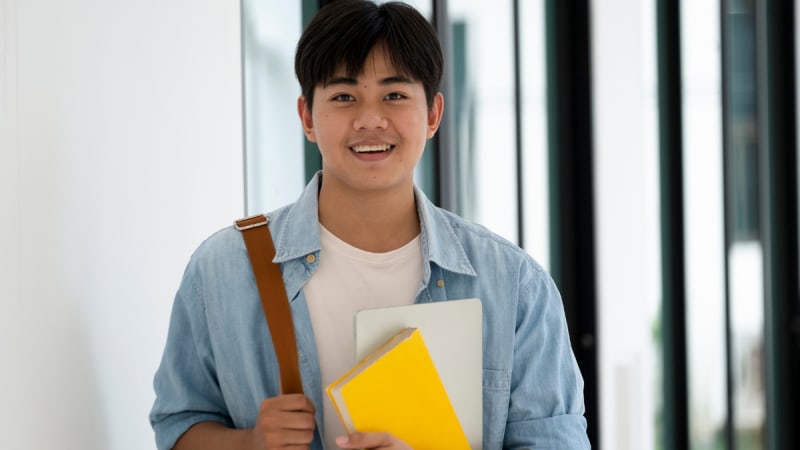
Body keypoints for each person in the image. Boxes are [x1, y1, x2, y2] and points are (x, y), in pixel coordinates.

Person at [150, 1, 590, 449]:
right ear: (306, 116)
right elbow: (177, 426)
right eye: (344, 97)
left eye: (394, 95)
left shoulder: (514, 283)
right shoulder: (224, 268)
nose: (370, 120)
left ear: (433, 114)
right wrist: (249, 442)